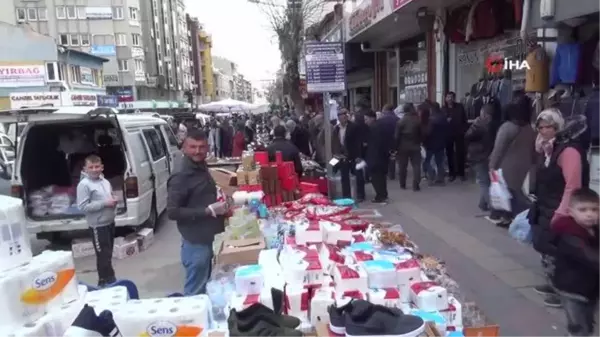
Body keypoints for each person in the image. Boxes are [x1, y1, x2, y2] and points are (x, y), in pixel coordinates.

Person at [530, 109, 589, 308]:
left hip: (560, 209)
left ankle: (563, 292)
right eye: (541, 127)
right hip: (546, 205)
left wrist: (561, 214)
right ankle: (553, 283)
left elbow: (573, 186)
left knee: (561, 251)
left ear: (558, 127)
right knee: (547, 249)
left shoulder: (568, 151)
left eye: (549, 127)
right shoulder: (549, 148)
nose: (544, 131)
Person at [167, 129, 229, 295]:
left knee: (205, 286)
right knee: (195, 293)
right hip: (196, 243)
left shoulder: (201, 166)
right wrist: (207, 211)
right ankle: (191, 320)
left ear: (207, 147)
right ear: (184, 148)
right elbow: (172, 212)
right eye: (193, 147)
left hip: (209, 238)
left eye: (202, 147)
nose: (197, 151)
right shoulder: (181, 175)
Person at [551, 188, 600, 337]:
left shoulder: (594, 230)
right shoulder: (570, 234)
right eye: (583, 209)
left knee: (587, 322)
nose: (589, 214)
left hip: (590, 288)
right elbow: (590, 257)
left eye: (595, 209)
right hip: (572, 289)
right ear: (571, 212)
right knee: (578, 327)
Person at [488, 96, 536, 226]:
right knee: (514, 192)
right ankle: (510, 216)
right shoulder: (530, 128)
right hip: (524, 166)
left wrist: (492, 166)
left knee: (506, 192)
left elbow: (498, 150)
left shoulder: (507, 127)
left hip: (506, 166)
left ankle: (508, 216)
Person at [76, 155, 117, 287]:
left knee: (108, 254)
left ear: (102, 167)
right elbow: (83, 207)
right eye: (91, 167)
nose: (94, 169)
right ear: (85, 169)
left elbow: (109, 197)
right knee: (103, 256)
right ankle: (106, 282)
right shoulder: (84, 185)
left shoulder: (105, 182)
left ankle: (108, 281)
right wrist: (105, 203)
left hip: (110, 223)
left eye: (97, 166)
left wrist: (113, 200)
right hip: (98, 227)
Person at [465, 103, 495, 212]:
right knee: (485, 182)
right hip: (483, 156)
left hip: (480, 156)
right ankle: (487, 205)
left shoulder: (482, 125)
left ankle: (487, 205)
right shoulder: (486, 126)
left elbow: (468, 136)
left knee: (484, 182)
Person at [332, 108, 364, 201]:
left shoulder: (354, 127)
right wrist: (336, 154)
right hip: (342, 156)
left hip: (354, 154)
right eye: (342, 116)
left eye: (345, 115)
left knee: (358, 175)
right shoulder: (336, 128)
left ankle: (360, 195)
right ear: (339, 117)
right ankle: (346, 195)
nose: (344, 117)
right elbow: (335, 142)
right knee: (344, 176)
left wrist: (359, 156)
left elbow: (358, 142)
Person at [394, 103, 422, 191]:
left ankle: (402, 184)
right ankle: (416, 185)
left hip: (403, 146)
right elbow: (421, 134)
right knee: (416, 165)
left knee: (402, 166)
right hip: (415, 145)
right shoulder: (417, 120)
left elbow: (396, 136)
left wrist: (395, 148)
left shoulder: (400, 121)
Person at [443, 91, 468, 181]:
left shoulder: (459, 107)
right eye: (448, 97)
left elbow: (464, 119)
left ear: (454, 98)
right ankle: (451, 173)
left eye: (451, 97)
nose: (450, 99)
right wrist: (446, 121)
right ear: (445, 98)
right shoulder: (443, 109)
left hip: (459, 133)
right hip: (448, 134)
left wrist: (464, 130)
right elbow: (441, 122)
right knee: (449, 154)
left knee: (460, 153)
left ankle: (461, 173)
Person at [365, 110, 389, 203]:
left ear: (372, 118)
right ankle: (383, 194)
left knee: (376, 178)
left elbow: (375, 145)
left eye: (366, 119)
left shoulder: (373, 128)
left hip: (375, 157)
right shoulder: (380, 126)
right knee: (381, 177)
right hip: (382, 156)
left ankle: (380, 196)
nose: (365, 121)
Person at [422, 103, 448, 185]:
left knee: (427, 161)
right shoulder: (443, 118)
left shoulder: (432, 120)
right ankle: (441, 179)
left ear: (432, 109)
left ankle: (431, 175)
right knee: (439, 162)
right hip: (441, 143)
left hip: (431, 144)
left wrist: (423, 137)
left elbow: (428, 132)